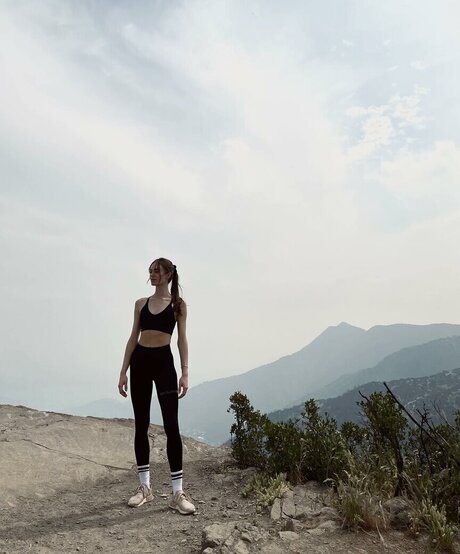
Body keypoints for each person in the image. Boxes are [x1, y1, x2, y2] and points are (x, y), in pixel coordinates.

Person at [117, 257, 196, 514]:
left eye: (157, 271)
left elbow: (181, 340)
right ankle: (145, 488)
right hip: (140, 362)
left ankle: (177, 493)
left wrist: (185, 373)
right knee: (141, 425)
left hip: (164, 364)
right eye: (150, 271)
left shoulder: (177, 305)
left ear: (168, 274)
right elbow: (133, 338)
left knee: (172, 426)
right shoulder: (140, 304)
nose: (152, 275)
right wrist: (123, 371)